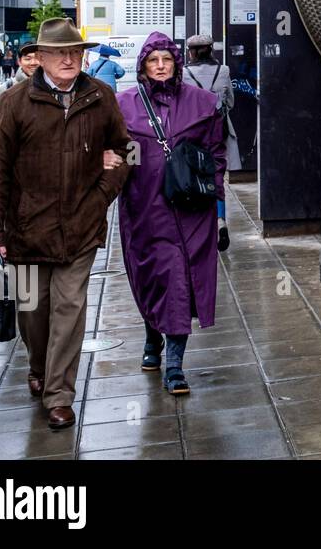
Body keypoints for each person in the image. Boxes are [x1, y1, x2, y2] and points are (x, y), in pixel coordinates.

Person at [0, 18, 132, 430]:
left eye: (76, 52)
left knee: (69, 308)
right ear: (39, 58)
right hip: (26, 231)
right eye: (59, 52)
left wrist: (101, 195)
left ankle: (59, 394)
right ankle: (40, 367)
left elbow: (126, 150)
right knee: (34, 311)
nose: (69, 59)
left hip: (80, 227)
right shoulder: (14, 103)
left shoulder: (100, 96)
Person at [114, 32, 226, 395]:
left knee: (179, 279)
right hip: (144, 210)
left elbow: (216, 153)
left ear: (177, 62)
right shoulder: (124, 105)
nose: (160, 66)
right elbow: (117, 155)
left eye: (166, 59)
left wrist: (217, 203)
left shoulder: (202, 103)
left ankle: (175, 364)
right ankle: (152, 338)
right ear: (143, 66)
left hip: (192, 211)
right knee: (151, 278)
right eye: (153, 60)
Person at [183, 34, 239, 246]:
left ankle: (200, 223)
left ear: (191, 51)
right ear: (210, 50)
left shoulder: (184, 73)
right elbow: (230, 102)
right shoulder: (223, 71)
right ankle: (220, 219)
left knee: (195, 177)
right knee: (217, 176)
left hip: (193, 134)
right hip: (218, 133)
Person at [0, 42, 43, 136]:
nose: (33, 63)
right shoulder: (5, 90)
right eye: (28, 58)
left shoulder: (53, 87)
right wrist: (8, 140)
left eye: (37, 58)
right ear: (19, 61)